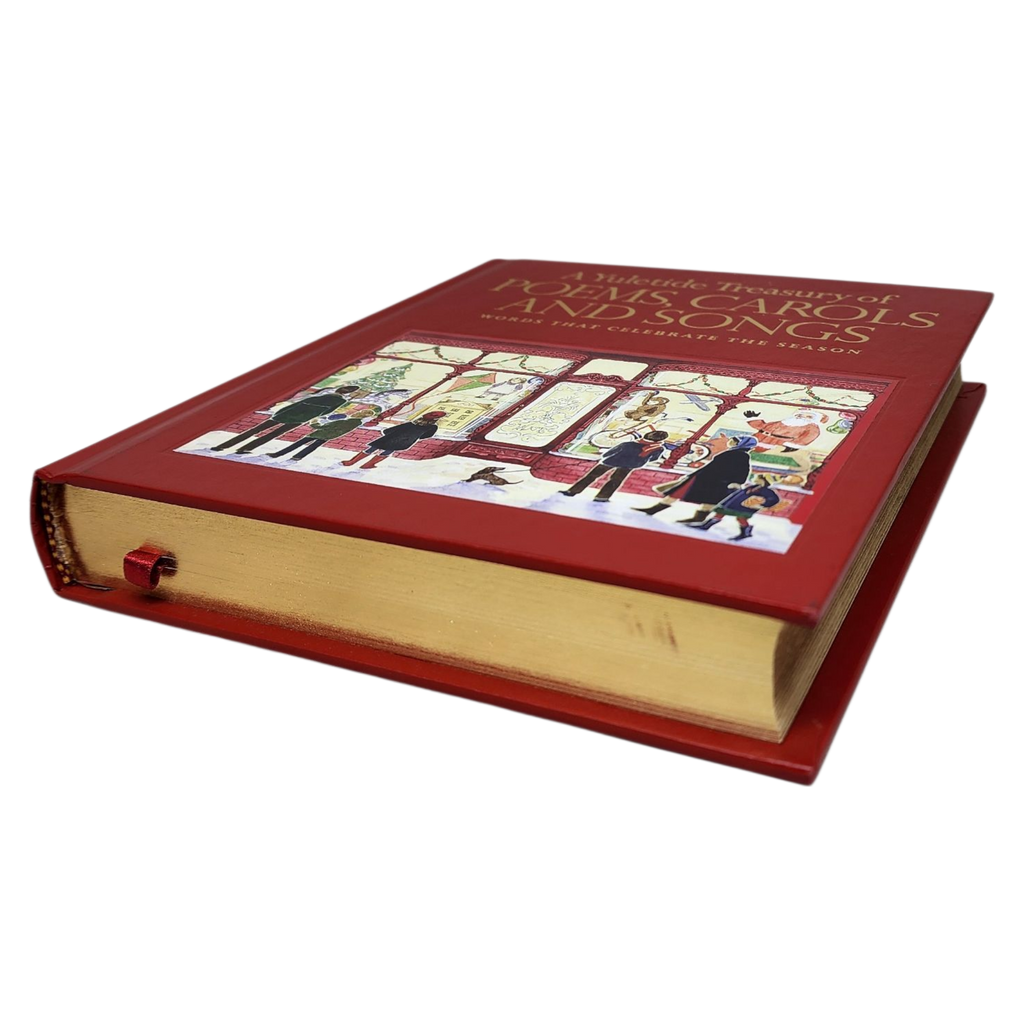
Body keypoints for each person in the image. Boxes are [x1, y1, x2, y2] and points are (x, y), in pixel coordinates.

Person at [634, 434, 757, 522]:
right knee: (678, 491)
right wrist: (692, 475)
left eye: (734, 441)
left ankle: (699, 518)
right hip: (703, 477)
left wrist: (737, 482)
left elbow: (743, 470)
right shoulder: (733, 452)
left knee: (709, 500)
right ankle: (654, 509)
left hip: (718, 481)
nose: (730, 441)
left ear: (741, 444)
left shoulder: (742, 455)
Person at [212, 386, 363, 453]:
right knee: (273, 434)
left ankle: (224, 446)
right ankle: (245, 449)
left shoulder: (320, 394)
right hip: (301, 417)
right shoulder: (339, 401)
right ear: (348, 393)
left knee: (256, 429)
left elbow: (297, 403)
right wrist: (311, 418)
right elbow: (326, 412)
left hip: (288, 413)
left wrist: (280, 412)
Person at [560, 431, 670, 502]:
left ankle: (572, 491)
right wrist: (640, 460)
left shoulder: (628, 444)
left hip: (610, 461)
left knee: (591, 476)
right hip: (630, 465)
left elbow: (610, 452)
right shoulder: (659, 448)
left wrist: (603, 457)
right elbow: (654, 458)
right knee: (615, 481)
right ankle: (602, 497)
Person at [268, 404, 382, 461]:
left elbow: (327, 426)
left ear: (361, 414)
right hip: (329, 435)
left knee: (299, 443)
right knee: (313, 446)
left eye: (360, 412)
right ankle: (298, 456)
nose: (357, 412)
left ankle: (279, 454)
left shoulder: (349, 421)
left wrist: (314, 423)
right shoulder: (354, 422)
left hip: (323, 433)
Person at [686, 475, 781, 541]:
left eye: (757, 478)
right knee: (720, 513)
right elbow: (739, 494)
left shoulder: (766, 491)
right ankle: (706, 526)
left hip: (745, 508)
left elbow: (773, 499)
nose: (754, 478)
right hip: (733, 504)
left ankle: (745, 532)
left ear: (763, 481)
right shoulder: (751, 487)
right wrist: (732, 490)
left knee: (741, 518)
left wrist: (763, 504)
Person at [342, 411, 447, 469]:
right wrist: (413, 438)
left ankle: (351, 462)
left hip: (390, 437)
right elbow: (426, 436)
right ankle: (368, 465)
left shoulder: (410, 423)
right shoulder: (432, 427)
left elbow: (389, 430)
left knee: (371, 449)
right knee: (388, 451)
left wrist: (388, 434)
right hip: (404, 441)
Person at [741, 408, 825, 451]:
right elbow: (764, 427)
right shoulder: (784, 422)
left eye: (808, 416)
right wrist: (753, 418)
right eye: (800, 415)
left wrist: (792, 446)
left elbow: (807, 438)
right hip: (758, 437)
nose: (802, 417)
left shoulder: (812, 427)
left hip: (775, 442)